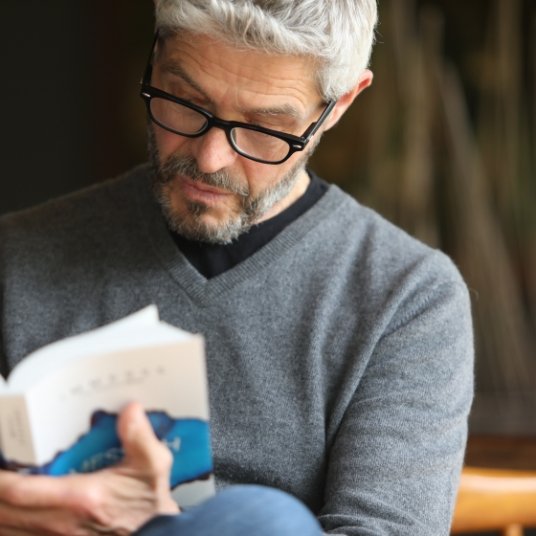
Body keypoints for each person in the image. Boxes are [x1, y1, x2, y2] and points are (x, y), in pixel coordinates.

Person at [0, 0, 474, 534]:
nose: (209, 158)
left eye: (263, 129)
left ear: (338, 106)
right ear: (156, 55)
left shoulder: (405, 297)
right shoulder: (16, 258)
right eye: (185, 101)